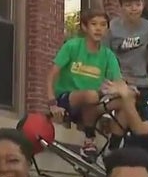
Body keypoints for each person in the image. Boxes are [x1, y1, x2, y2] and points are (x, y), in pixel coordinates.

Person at [48, 9, 123, 160]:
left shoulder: (108, 55)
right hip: (68, 101)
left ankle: (113, 149)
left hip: (92, 105)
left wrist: (124, 90)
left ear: (107, 29)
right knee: (91, 95)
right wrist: (52, 104)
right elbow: (52, 75)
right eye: (94, 24)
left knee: (126, 100)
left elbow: (118, 83)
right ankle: (89, 138)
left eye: (103, 25)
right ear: (84, 27)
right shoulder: (72, 46)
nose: (98, 28)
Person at [108, 0, 148, 153]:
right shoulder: (112, 28)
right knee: (126, 104)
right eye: (128, 5)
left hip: (141, 82)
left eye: (137, 4)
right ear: (121, 7)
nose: (133, 9)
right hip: (118, 82)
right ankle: (113, 147)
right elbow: (105, 57)